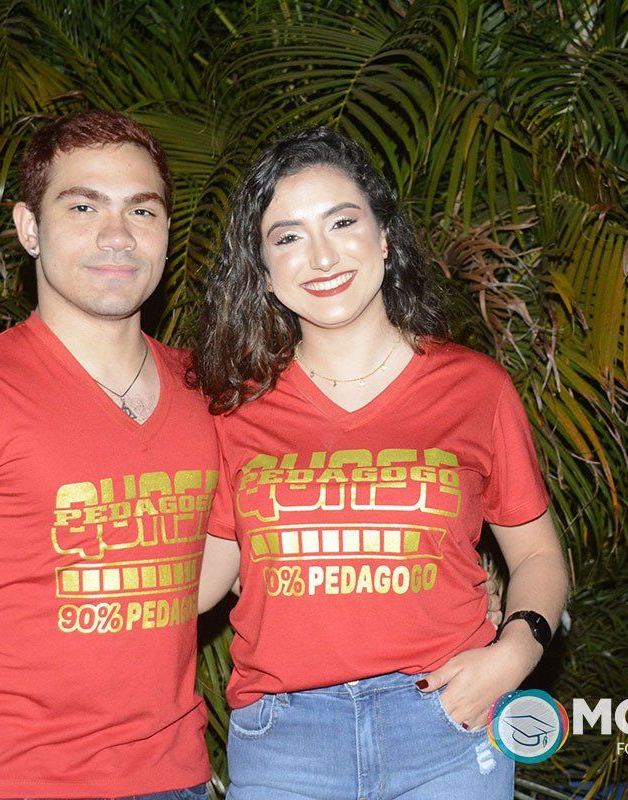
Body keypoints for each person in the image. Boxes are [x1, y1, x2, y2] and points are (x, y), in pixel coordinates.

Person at [192, 127, 571, 800]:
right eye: (288, 237)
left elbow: (538, 554)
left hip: (447, 722)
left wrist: (514, 653)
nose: (322, 255)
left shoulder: (474, 389)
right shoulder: (235, 412)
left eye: (342, 222)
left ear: (386, 237)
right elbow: (195, 586)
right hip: (286, 744)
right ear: (265, 271)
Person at [0, 110, 214, 800]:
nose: (117, 235)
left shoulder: (206, 392)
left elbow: (231, 563)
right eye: (83, 206)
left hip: (175, 776)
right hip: (15, 779)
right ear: (29, 228)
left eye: (142, 210)